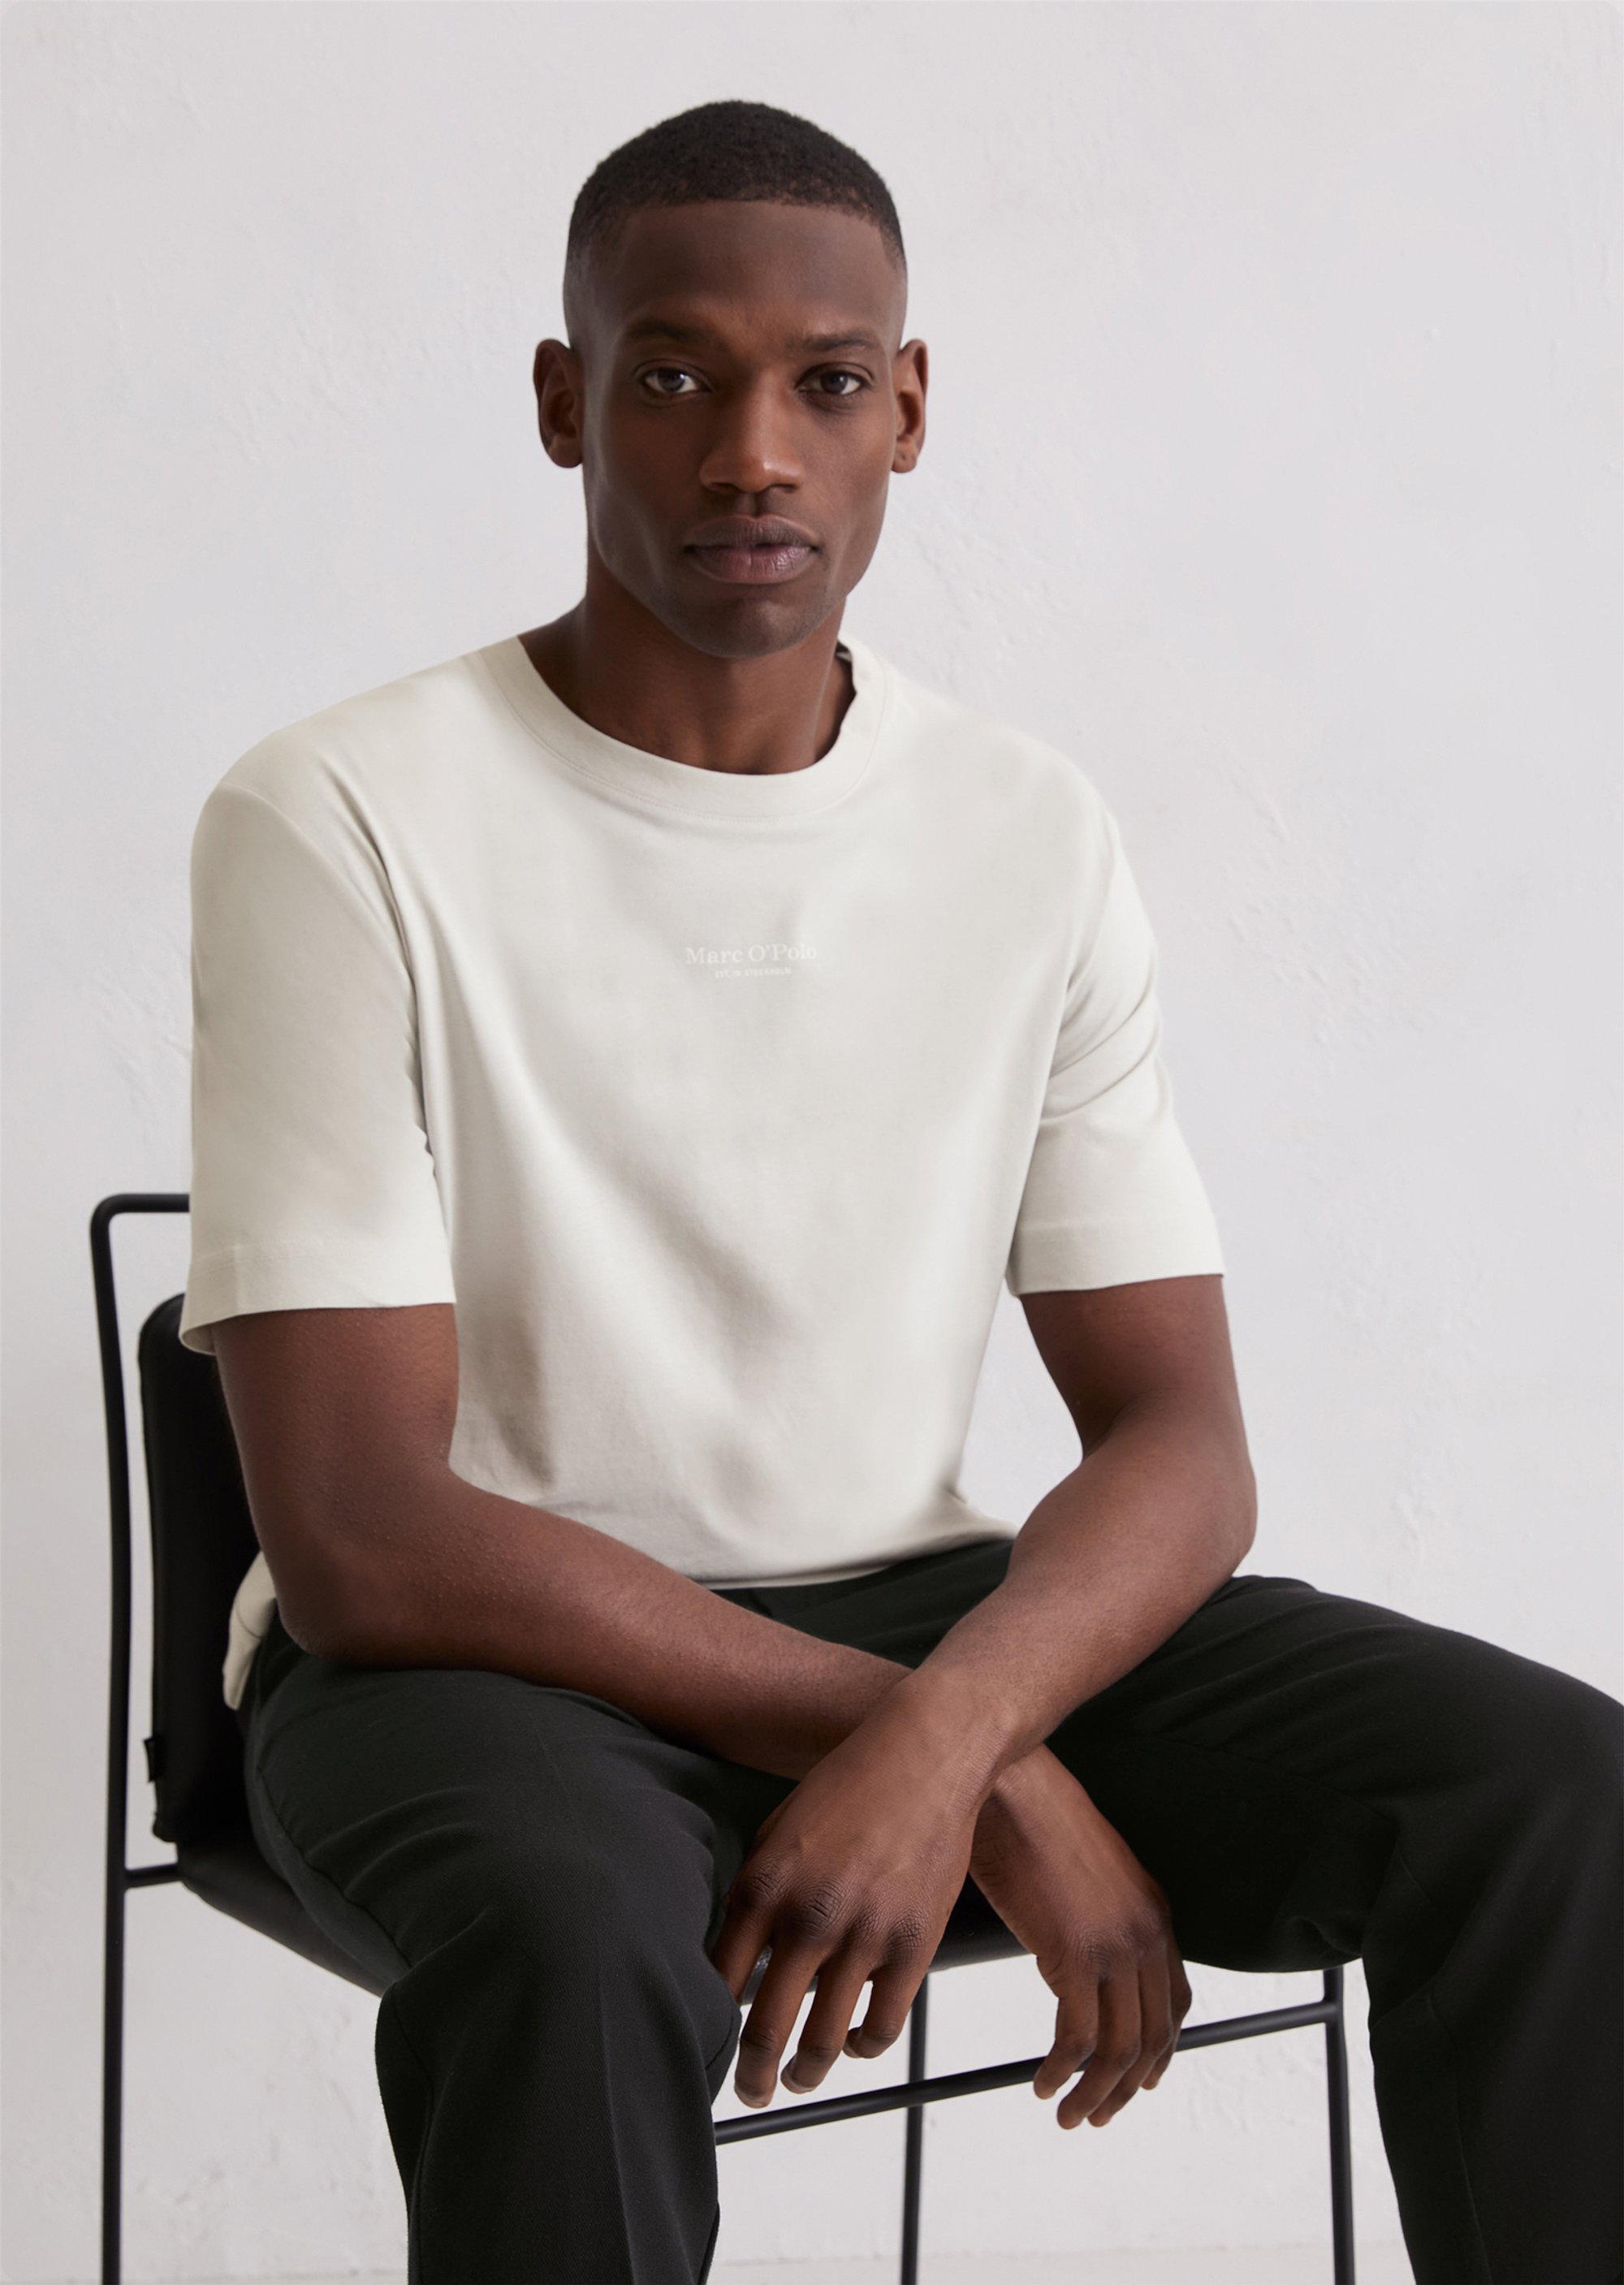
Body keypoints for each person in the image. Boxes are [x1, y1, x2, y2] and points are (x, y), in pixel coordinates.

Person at [177, 97, 1622, 2285]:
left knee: (1546, 1790)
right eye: (674, 375)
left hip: (917, 1617)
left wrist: (957, 1722)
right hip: (481, 1670)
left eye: (827, 383)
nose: (752, 451)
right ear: (566, 403)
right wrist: (962, 1760)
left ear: (908, 413)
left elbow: (1181, 1441)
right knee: (572, 1939)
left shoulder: (1024, 831)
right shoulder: (339, 813)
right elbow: (365, 1538)